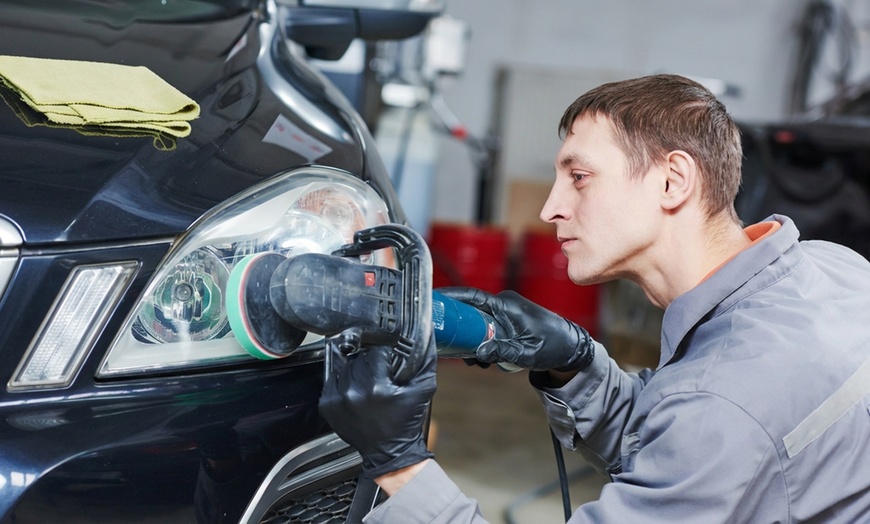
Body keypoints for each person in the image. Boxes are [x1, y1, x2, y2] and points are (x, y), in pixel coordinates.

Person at [319, 74, 870, 523]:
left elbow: (715, 431)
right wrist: (577, 365)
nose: (550, 208)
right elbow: (689, 454)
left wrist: (399, 465)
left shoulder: (728, 403)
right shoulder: (832, 267)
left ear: (673, 181)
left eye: (579, 177)